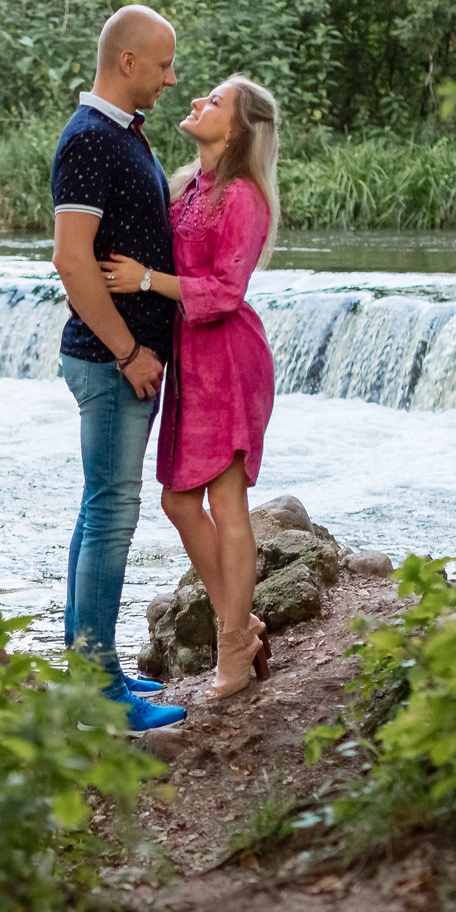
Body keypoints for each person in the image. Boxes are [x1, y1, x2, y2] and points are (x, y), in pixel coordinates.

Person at [99, 74, 281, 703]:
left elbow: (228, 292)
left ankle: (232, 643)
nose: (198, 101)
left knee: (226, 507)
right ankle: (245, 624)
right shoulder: (187, 187)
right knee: (179, 503)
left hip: (228, 357)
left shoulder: (244, 197)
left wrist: (147, 280)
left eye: (215, 101)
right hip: (189, 359)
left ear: (236, 128)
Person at [49, 6, 188, 731]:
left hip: (114, 359)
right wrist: (131, 352)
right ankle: (99, 693)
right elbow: (72, 259)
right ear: (127, 62)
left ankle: (87, 673)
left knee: (98, 508)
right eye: (163, 64)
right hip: (111, 363)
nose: (172, 77)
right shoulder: (91, 141)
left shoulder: (119, 135)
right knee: (110, 515)